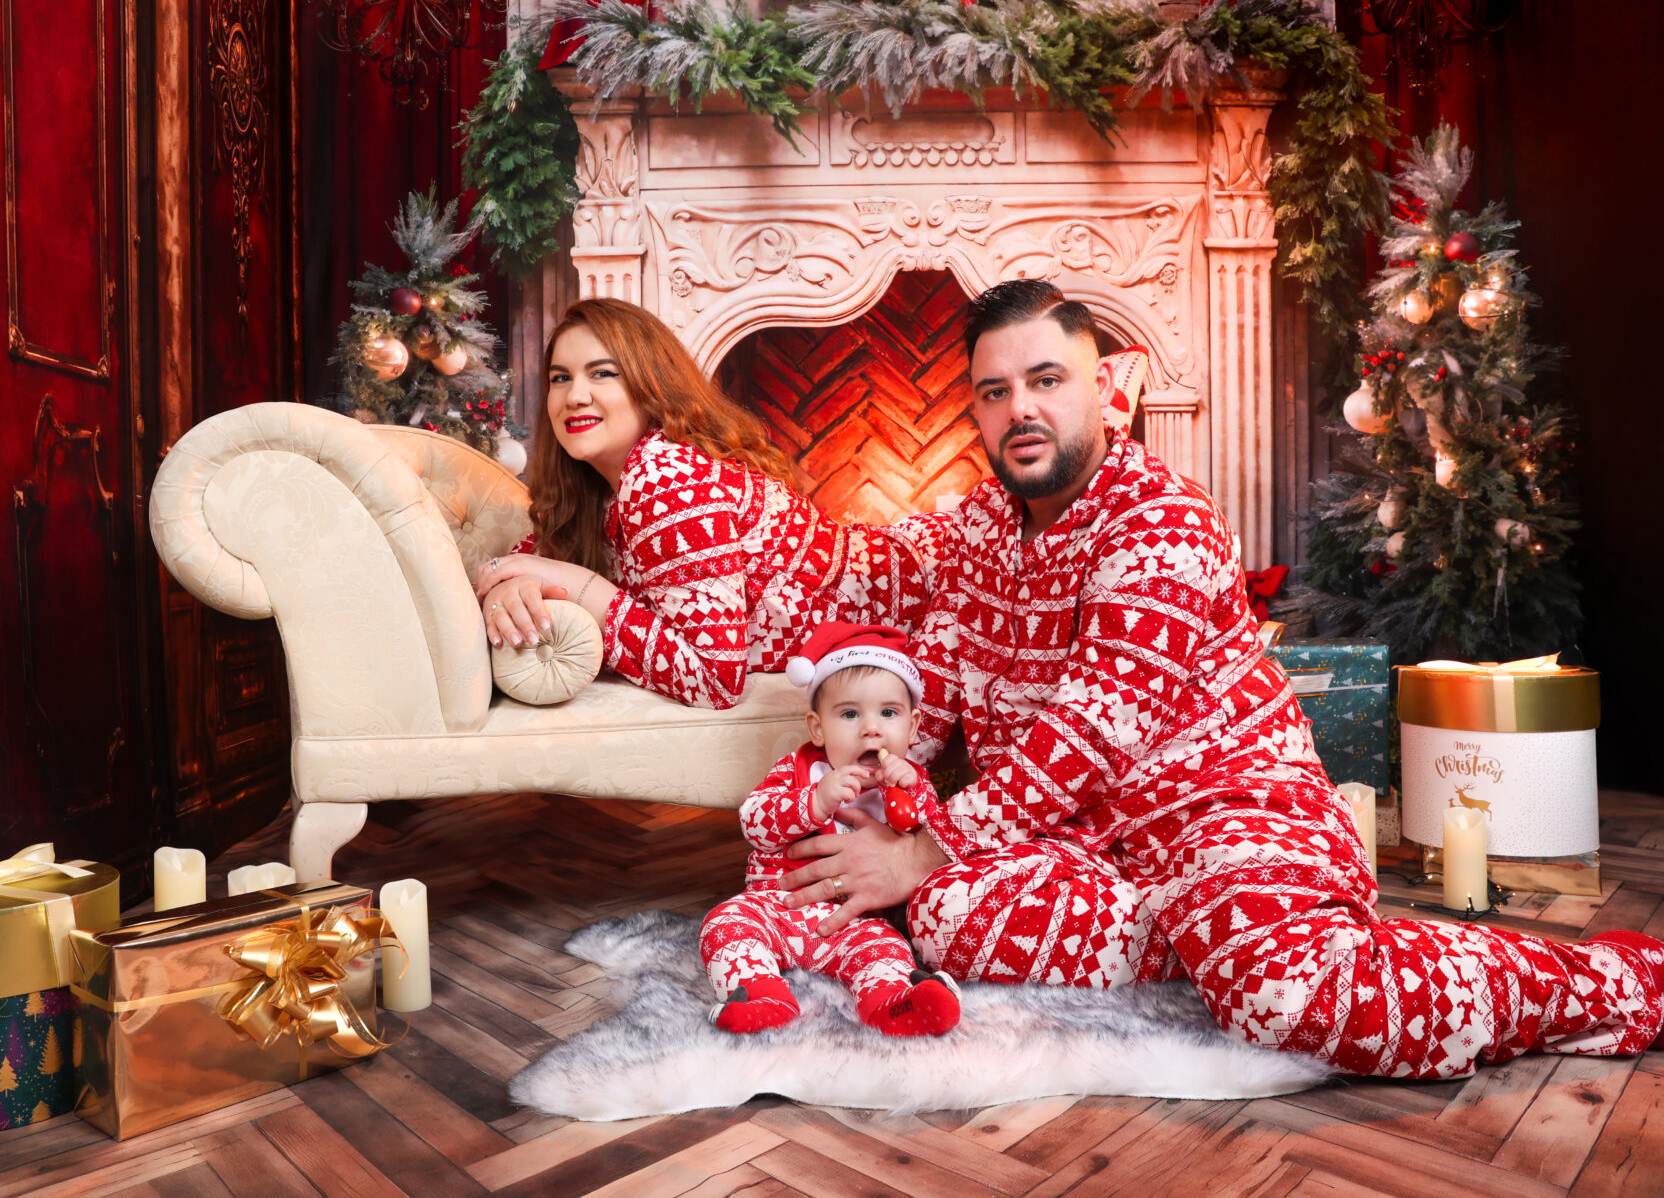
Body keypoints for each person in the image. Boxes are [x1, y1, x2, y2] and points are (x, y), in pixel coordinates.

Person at [778, 278, 1664, 1078]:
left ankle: (1612, 980)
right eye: (995, 390)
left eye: (1048, 379)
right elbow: (909, 673)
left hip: (1225, 813)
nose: (1022, 408)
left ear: (1105, 389)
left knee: (1292, 1002)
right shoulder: (971, 534)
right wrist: (851, 803)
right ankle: (1207, 940)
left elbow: (1088, 735)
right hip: (1082, 846)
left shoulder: (1162, 519)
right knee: (938, 918)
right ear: (974, 410)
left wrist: (925, 845)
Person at [472, 298, 947, 710]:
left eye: (603, 373)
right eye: (560, 378)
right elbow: (515, 565)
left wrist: (581, 585)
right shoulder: (597, 491)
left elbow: (714, 681)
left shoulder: (666, 477)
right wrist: (505, 588)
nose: (575, 396)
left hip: (935, 588)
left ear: (650, 385)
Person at [700, 622, 961, 1037]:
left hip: (858, 923)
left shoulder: (913, 781)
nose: (871, 728)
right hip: (780, 908)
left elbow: (933, 844)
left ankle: (892, 1005)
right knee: (726, 922)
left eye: (888, 713)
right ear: (818, 727)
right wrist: (814, 801)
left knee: (890, 952)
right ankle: (763, 996)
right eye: (850, 713)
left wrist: (915, 794)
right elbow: (754, 823)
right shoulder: (799, 770)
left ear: (911, 729)